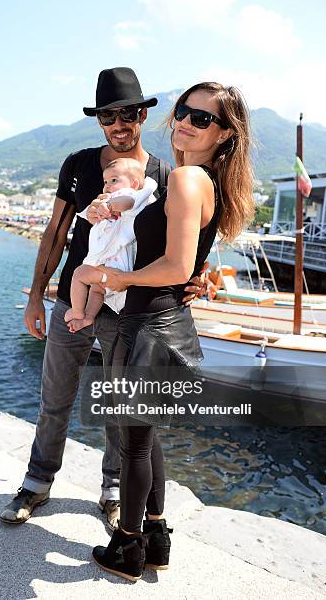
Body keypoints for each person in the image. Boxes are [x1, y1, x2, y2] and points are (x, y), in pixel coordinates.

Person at [0, 67, 203, 530]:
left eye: (128, 113)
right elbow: (55, 233)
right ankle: (37, 483)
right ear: (99, 121)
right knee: (55, 398)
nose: (119, 123)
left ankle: (113, 491)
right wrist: (36, 297)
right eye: (109, 116)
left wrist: (196, 277)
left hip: (127, 308)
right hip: (73, 297)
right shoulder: (79, 165)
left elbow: (182, 246)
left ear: (142, 116)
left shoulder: (163, 175)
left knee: (118, 406)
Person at [91, 82, 255, 580]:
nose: (184, 121)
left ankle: (127, 548)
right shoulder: (204, 179)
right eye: (183, 111)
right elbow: (192, 262)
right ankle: (157, 535)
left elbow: (178, 265)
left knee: (133, 443)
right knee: (145, 435)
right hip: (167, 324)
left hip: (148, 324)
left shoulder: (185, 178)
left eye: (202, 118)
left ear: (225, 134)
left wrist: (119, 278)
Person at [64, 157, 157, 333]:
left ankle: (76, 311)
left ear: (134, 183)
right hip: (113, 266)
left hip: (115, 266)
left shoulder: (131, 195)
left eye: (114, 180)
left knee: (79, 274)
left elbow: (127, 202)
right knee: (97, 290)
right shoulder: (109, 199)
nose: (107, 185)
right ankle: (88, 317)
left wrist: (109, 204)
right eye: (105, 181)